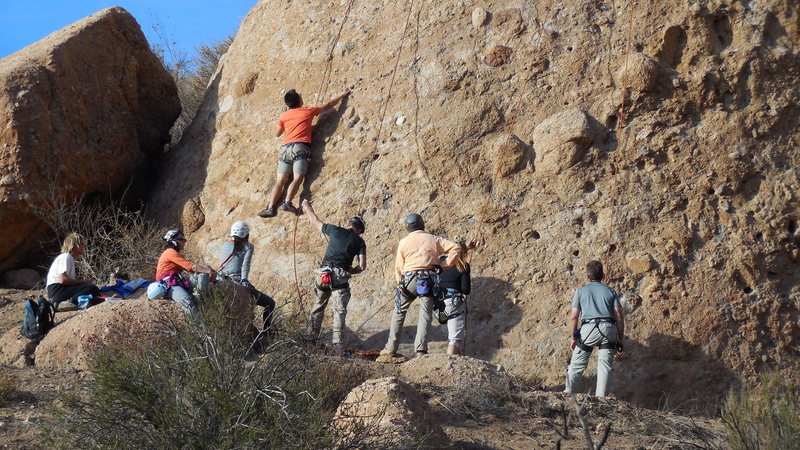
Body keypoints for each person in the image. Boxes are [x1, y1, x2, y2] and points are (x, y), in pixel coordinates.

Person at [258, 88, 351, 218]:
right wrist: (342, 95)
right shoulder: (307, 111)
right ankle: (287, 202)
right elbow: (329, 105)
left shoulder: (284, 116)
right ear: (299, 100)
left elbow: (278, 133)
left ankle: (271, 207)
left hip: (286, 148)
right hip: (300, 147)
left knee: (280, 181)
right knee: (298, 178)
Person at [379, 213, 461, 361]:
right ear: (422, 224)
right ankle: (421, 351)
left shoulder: (404, 242)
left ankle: (390, 349)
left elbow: (399, 266)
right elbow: (456, 248)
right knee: (425, 315)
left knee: (399, 311)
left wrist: (399, 283)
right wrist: (444, 265)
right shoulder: (433, 239)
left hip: (409, 280)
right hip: (428, 280)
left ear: (408, 227)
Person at [301, 199, 367, 355]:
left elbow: (314, 221)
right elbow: (362, 266)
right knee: (339, 311)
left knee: (318, 306)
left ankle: (310, 340)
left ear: (349, 224)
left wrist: (306, 206)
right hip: (339, 277)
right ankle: (338, 347)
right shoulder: (359, 241)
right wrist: (351, 270)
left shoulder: (334, 230)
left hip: (323, 274)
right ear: (358, 228)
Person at [564, 260, 625, 397]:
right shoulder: (611, 291)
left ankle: (568, 395)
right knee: (605, 366)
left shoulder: (581, 292)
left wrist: (573, 337)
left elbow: (574, 317)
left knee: (576, 365)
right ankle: (602, 399)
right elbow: (619, 316)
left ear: (587, 276)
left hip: (588, 329)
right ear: (603, 276)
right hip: (608, 329)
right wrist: (620, 339)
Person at [218, 221, 276, 332]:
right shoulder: (248, 247)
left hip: (222, 280)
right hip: (237, 281)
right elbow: (245, 264)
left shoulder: (225, 245)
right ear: (246, 234)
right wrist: (244, 280)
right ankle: (266, 331)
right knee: (270, 303)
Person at [155, 229, 216, 313]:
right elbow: (190, 266)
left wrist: (208, 271)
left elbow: (191, 269)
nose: (184, 242)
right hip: (169, 285)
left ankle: (201, 298)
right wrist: (209, 271)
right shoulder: (170, 252)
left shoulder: (175, 254)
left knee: (205, 269)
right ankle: (196, 324)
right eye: (182, 240)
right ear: (175, 241)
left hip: (178, 282)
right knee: (186, 300)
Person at [438, 237, 477, 356]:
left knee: (451, 336)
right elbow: (466, 290)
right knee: (455, 339)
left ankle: (458, 361)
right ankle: (450, 365)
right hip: (454, 303)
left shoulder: (441, 262)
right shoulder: (463, 266)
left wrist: (466, 248)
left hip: (439, 304)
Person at [45, 232, 102, 310]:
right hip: (58, 291)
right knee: (92, 288)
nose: (84, 246)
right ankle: (68, 302)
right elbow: (63, 280)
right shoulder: (66, 257)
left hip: (57, 292)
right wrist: (84, 282)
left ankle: (70, 302)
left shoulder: (68, 258)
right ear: (76, 245)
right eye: (82, 244)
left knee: (93, 292)